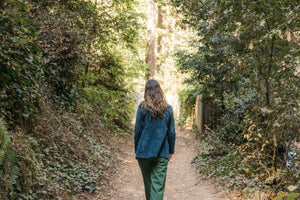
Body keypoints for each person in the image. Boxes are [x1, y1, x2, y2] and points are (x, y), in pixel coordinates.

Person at [134, 79, 176, 200]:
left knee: (148, 185)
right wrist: (171, 151)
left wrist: (137, 150)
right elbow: (171, 133)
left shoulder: (142, 108)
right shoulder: (168, 109)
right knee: (157, 187)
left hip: (144, 152)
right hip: (162, 153)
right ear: (159, 91)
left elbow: (137, 131)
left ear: (146, 92)